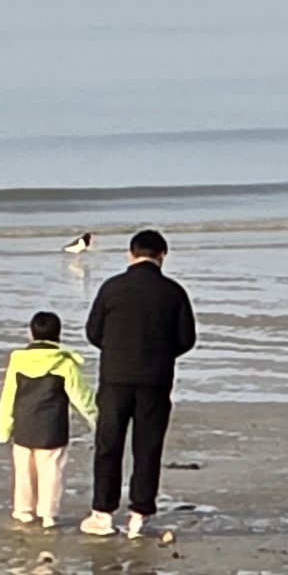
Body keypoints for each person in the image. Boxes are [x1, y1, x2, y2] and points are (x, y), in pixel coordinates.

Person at [80, 228, 198, 537]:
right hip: (155, 379)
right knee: (148, 446)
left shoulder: (111, 288)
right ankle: (139, 514)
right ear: (162, 256)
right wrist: (160, 353)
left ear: (131, 254)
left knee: (108, 445)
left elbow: (93, 333)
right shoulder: (173, 292)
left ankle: (103, 514)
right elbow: (186, 339)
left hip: (115, 377)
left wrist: (117, 347)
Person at [0, 309, 98, 526]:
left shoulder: (18, 361)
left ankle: (23, 510)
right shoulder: (65, 363)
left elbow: (8, 397)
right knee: (51, 471)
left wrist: (4, 428)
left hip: (24, 426)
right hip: (53, 428)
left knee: (24, 471)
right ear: (58, 335)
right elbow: (81, 397)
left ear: (30, 335)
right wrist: (96, 421)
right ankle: (48, 514)